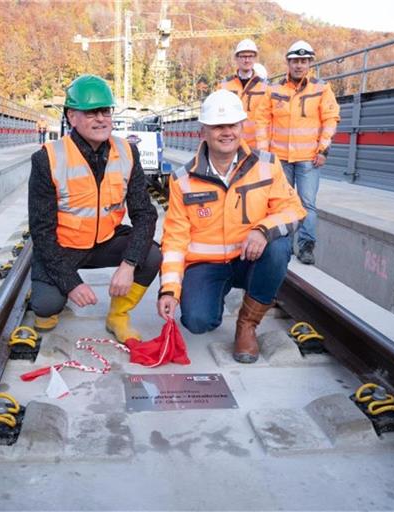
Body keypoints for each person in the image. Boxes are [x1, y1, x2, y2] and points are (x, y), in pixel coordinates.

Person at [157, 90, 306, 363]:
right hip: (207, 264)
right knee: (199, 322)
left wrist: (263, 230)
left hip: (250, 259)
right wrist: (169, 289)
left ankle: (246, 325)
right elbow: (175, 240)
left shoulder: (267, 165)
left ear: (241, 127)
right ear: (204, 131)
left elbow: (294, 210)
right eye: (218, 126)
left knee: (279, 246)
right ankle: (214, 297)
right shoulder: (182, 180)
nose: (226, 132)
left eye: (232, 125)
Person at [28, 74, 161, 342]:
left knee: (151, 256)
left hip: (105, 240)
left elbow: (145, 214)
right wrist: (71, 283)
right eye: (90, 112)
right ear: (71, 117)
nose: (100, 118)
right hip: (63, 246)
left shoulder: (127, 152)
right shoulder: (48, 158)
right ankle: (56, 295)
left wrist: (129, 263)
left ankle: (118, 316)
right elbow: (41, 231)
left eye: (105, 111)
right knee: (45, 307)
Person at [257, 40, 341, 265]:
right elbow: (262, 121)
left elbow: (330, 119)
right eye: (295, 61)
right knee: (280, 202)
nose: (299, 65)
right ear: (288, 62)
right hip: (279, 158)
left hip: (308, 159)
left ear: (310, 63)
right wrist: (264, 155)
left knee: (307, 204)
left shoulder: (322, 89)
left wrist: (324, 149)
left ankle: (306, 247)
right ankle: (283, 246)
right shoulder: (274, 90)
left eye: (303, 61)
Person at [217, 39, 270, 151]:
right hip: (230, 143)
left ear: (255, 58)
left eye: (250, 56)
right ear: (236, 58)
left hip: (256, 146)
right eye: (243, 56)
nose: (247, 60)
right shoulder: (224, 86)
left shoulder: (265, 87)